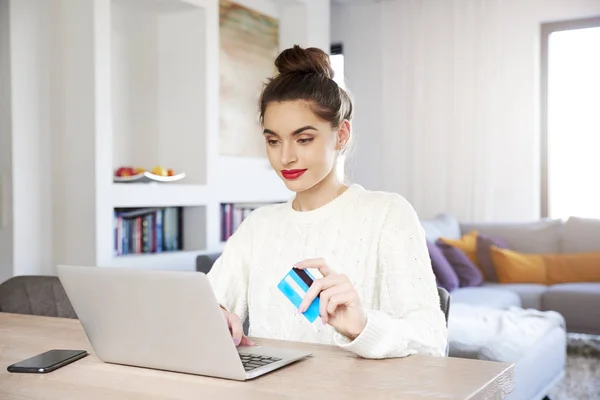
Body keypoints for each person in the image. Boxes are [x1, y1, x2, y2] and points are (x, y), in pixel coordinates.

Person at [207, 45, 447, 359]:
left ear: (342, 135)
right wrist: (217, 317)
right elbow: (206, 304)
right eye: (273, 140)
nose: (285, 157)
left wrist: (362, 326)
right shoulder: (259, 225)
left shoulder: (387, 213)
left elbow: (432, 340)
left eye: (304, 139)